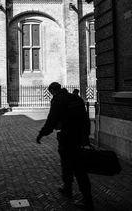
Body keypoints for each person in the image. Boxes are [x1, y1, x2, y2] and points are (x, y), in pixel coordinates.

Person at [36, 82, 93, 210]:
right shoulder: (76, 98)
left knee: (69, 165)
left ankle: (85, 199)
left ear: (53, 91)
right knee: (79, 168)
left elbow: (51, 120)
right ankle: (70, 189)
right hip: (79, 137)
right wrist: (85, 137)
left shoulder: (58, 100)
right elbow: (85, 119)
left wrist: (41, 134)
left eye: (51, 92)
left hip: (67, 138)